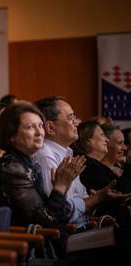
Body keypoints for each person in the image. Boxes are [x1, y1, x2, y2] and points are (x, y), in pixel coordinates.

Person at [0, 102, 83, 249]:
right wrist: (60, 186)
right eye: (30, 127)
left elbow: (60, 216)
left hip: (50, 244)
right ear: (11, 136)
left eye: (40, 125)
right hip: (27, 250)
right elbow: (45, 223)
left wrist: (62, 187)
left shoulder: (28, 163)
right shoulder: (12, 169)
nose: (39, 132)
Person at [35, 96, 131, 230]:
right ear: (51, 127)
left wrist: (96, 198)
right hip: (69, 237)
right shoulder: (46, 157)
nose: (76, 123)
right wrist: (96, 199)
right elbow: (62, 212)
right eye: (70, 118)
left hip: (84, 227)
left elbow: (81, 197)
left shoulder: (67, 153)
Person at [72, 121, 131, 228]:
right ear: (88, 140)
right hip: (105, 230)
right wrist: (129, 166)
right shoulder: (88, 167)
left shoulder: (95, 165)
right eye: (102, 135)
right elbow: (123, 193)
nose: (106, 140)